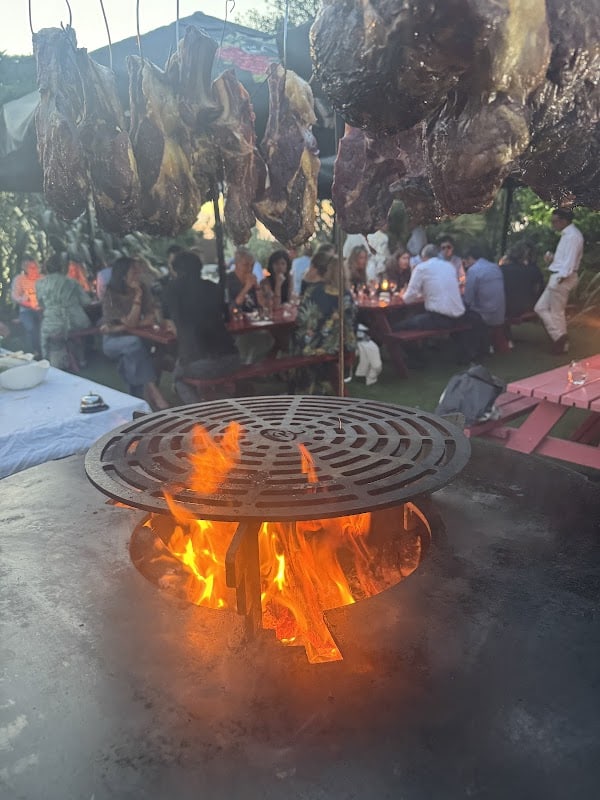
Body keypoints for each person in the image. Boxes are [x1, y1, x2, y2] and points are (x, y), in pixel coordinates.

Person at [163, 250, 241, 404]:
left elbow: (173, 324)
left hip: (202, 364)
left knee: (178, 376)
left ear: (175, 270)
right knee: (184, 364)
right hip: (233, 358)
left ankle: (199, 413)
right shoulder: (212, 287)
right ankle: (216, 403)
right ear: (199, 268)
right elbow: (226, 316)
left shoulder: (172, 289)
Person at [100, 256, 169, 409]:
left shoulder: (143, 287)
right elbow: (131, 323)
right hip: (112, 341)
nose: (138, 274)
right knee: (135, 344)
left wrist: (126, 326)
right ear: (123, 275)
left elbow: (150, 317)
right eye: (134, 271)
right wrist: (137, 298)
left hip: (131, 335)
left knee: (132, 355)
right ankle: (153, 390)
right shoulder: (110, 293)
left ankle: (137, 398)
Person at [293, 247, 357, 394]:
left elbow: (301, 320)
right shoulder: (346, 293)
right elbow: (352, 318)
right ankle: (321, 384)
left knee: (294, 340)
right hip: (344, 344)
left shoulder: (314, 291)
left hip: (318, 346)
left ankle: (302, 386)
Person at [534, 208, 583, 354]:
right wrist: (553, 259)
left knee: (557, 312)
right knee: (540, 308)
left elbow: (570, 260)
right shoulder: (568, 235)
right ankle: (560, 336)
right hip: (558, 276)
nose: (553, 224)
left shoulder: (573, 236)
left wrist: (562, 276)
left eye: (554, 221)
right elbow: (565, 260)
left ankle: (561, 344)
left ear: (563, 220)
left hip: (562, 277)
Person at [35, 254, 92, 368]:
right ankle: (82, 360)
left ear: (46, 268)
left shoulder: (40, 283)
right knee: (78, 333)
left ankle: (54, 362)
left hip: (53, 323)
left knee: (52, 337)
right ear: (63, 268)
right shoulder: (72, 282)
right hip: (76, 321)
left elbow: (41, 304)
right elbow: (87, 301)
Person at [392, 244, 465, 331]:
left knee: (397, 327)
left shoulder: (422, 268)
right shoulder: (449, 266)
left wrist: (400, 297)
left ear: (424, 257)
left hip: (439, 318)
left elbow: (409, 297)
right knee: (418, 316)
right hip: (459, 317)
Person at [226, 247, 272, 364]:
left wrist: (256, 287)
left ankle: (252, 367)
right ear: (236, 264)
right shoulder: (228, 281)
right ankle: (248, 367)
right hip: (235, 329)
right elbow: (231, 308)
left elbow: (262, 306)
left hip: (252, 325)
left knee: (269, 338)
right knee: (262, 337)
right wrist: (246, 287)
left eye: (252, 265)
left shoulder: (251, 280)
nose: (249, 269)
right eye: (246, 265)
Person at [462, 245, 506, 358]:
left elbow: (468, 299)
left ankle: (469, 351)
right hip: (500, 313)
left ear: (470, 258)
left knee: (459, 314)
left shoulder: (473, 270)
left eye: (465, 260)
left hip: (485, 315)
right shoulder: (495, 267)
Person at [11, 257, 42, 355]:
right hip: (26, 310)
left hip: (43, 308)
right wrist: (28, 304)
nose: (34, 269)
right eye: (30, 267)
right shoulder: (19, 279)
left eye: (35, 267)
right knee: (31, 327)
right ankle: (35, 351)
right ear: (25, 268)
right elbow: (15, 296)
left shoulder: (43, 278)